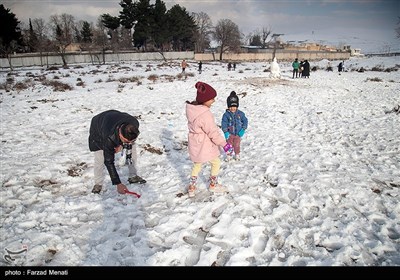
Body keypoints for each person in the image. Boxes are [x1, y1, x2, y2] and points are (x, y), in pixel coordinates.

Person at [185, 82, 233, 198]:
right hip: (205, 144)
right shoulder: (205, 114)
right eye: (212, 99)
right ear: (205, 100)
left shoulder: (192, 110)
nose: (214, 101)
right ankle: (213, 184)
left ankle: (192, 187)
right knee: (216, 162)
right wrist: (224, 144)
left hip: (195, 142)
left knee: (197, 164)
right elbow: (213, 133)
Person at [88, 110, 146, 194]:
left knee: (132, 150)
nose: (129, 144)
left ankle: (133, 176)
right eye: (126, 141)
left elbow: (128, 140)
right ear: (121, 135)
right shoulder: (108, 137)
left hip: (114, 119)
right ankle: (98, 183)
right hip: (99, 127)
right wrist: (118, 183)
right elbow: (109, 161)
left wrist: (122, 144)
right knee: (100, 157)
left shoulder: (134, 123)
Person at [221, 91, 248, 161]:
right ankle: (228, 155)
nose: (232, 108)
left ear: (237, 106)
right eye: (230, 106)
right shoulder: (226, 115)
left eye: (234, 106)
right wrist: (225, 132)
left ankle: (237, 154)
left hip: (238, 134)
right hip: (229, 134)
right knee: (229, 145)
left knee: (237, 145)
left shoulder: (240, 114)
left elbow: (245, 121)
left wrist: (243, 129)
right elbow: (224, 123)